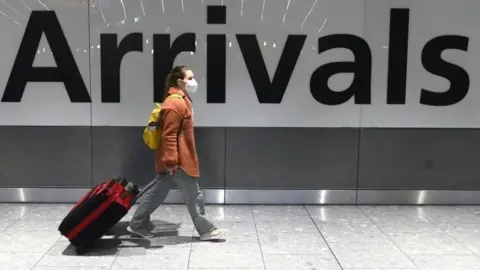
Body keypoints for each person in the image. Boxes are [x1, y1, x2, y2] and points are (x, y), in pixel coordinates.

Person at [127, 65, 227, 240]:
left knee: (156, 193)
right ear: (180, 82)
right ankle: (206, 230)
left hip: (174, 160)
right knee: (193, 194)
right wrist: (172, 161)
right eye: (190, 78)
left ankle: (137, 224)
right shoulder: (175, 103)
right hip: (178, 161)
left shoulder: (182, 100)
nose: (193, 81)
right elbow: (169, 135)